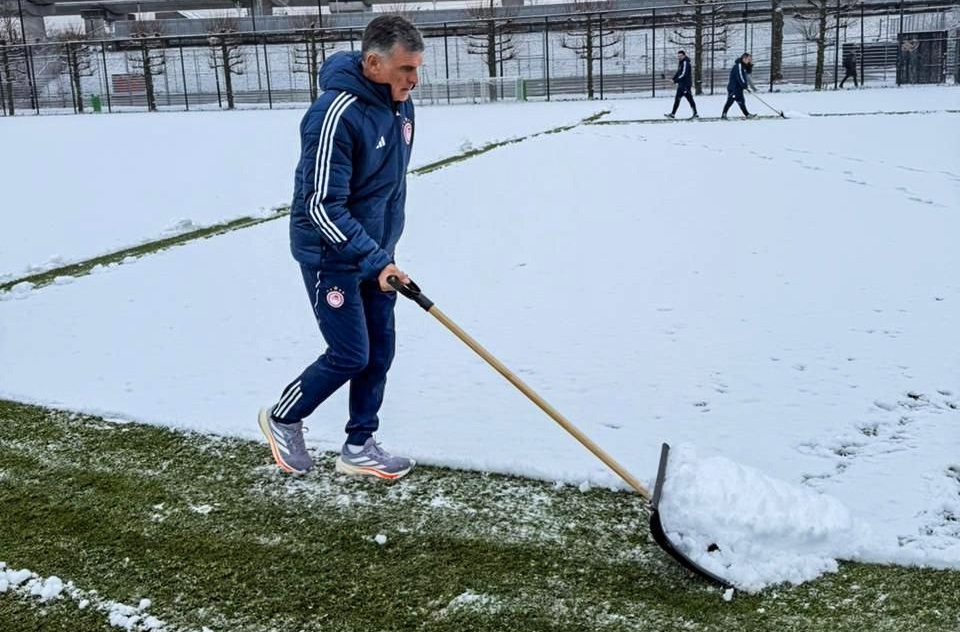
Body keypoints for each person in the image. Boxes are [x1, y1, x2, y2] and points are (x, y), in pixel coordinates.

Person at [258, 15, 424, 480]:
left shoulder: (400, 108)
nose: (413, 80)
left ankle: (359, 444)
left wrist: (383, 255)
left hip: (374, 252)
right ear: (373, 63)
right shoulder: (333, 113)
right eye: (405, 70)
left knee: (381, 349)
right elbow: (319, 204)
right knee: (351, 352)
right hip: (331, 252)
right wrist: (374, 258)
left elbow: (384, 190)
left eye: (416, 69)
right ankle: (283, 417)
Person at [721, 53, 756, 120]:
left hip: (739, 88)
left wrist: (750, 66)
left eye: (750, 60)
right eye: (748, 59)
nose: (749, 61)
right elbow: (740, 76)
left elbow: (747, 74)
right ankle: (724, 114)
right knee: (730, 101)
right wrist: (744, 85)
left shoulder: (743, 66)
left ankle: (747, 114)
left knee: (741, 101)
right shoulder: (739, 65)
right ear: (744, 58)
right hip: (733, 88)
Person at [665, 50, 698, 119]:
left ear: (684, 56)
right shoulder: (681, 63)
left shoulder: (685, 62)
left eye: (681, 56)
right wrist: (674, 79)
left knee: (690, 99)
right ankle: (672, 114)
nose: (679, 57)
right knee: (677, 99)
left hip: (685, 85)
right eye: (678, 56)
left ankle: (695, 113)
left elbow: (684, 74)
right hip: (681, 85)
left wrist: (675, 80)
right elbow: (678, 73)